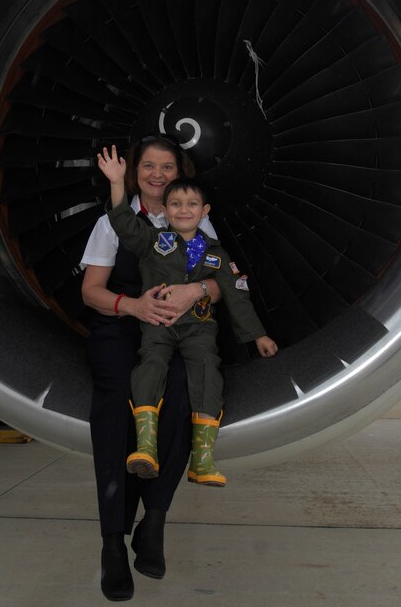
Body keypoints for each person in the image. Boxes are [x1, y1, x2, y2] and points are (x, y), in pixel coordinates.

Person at [81, 135, 222, 601]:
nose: (158, 175)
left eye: (167, 166)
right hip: (122, 323)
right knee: (118, 402)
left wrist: (196, 293)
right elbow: (92, 292)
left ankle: (154, 521)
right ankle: (112, 544)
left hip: (174, 330)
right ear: (135, 171)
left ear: (180, 170)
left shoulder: (193, 218)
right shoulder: (113, 223)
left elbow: (221, 284)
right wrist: (133, 307)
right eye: (148, 166)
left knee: (182, 395)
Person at [97, 144, 278, 491]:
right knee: (150, 367)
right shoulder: (152, 241)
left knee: (208, 374)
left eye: (192, 204)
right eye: (176, 204)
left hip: (198, 329)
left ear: (204, 210)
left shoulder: (216, 254)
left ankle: (203, 460)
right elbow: (121, 221)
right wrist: (117, 183)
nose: (184, 210)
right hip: (158, 325)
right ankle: (145, 448)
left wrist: (259, 337)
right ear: (164, 210)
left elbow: (238, 297)